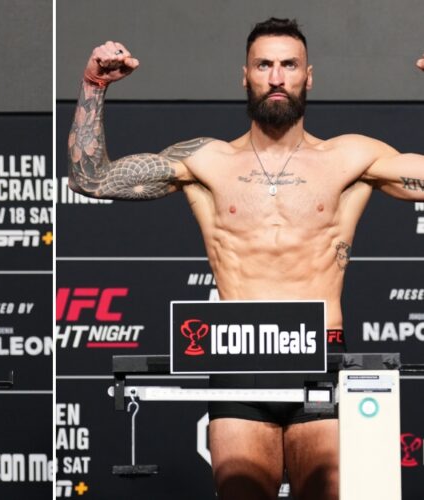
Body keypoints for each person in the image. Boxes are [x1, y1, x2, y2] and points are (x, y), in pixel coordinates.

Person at [68, 17, 424, 500]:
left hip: (322, 353)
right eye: (264, 65)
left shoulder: (351, 158)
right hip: (239, 358)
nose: (276, 77)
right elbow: (91, 179)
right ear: (245, 75)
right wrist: (93, 86)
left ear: (308, 77)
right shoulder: (206, 162)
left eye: (289, 65)